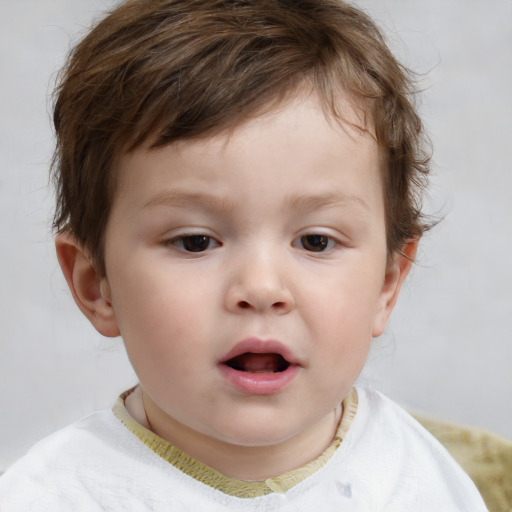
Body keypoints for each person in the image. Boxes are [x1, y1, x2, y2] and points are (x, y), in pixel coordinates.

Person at [0, 0, 488, 510]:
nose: (260, 288)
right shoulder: (51, 496)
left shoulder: (418, 481)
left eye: (315, 241)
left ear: (387, 285)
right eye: (195, 241)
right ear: (96, 284)